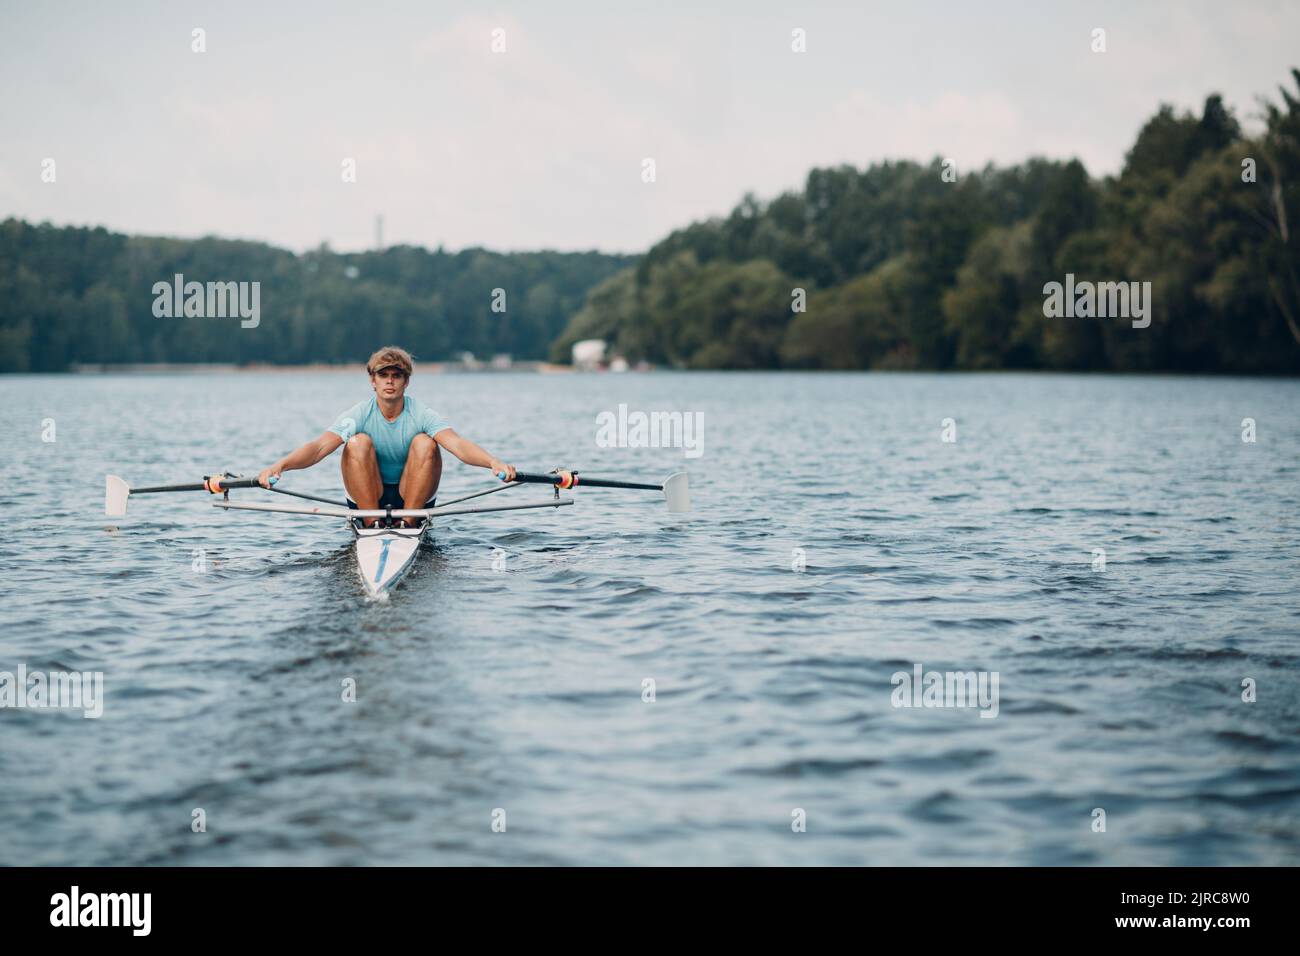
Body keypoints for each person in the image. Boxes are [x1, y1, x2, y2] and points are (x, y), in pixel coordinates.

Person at [257, 346, 516, 526]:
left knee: (427, 442)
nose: (389, 381)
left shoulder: (422, 414)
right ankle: (371, 523)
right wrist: (279, 466)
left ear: (406, 382)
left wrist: (493, 462)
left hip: (411, 495)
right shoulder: (358, 414)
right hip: (369, 493)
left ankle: (409, 522)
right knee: (357, 442)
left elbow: (458, 445)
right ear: (373, 381)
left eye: (396, 376)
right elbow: (318, 448)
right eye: (383, 375)